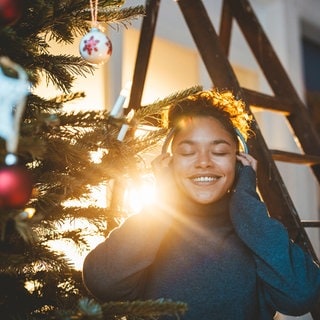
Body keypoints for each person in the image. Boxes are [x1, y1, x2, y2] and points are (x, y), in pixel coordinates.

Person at [82, 89, 320, 320]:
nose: (204, 162)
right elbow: (102, 282)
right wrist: (165, 197)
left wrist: (246, 199)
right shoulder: (151, 227)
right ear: (169, 163)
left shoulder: (257, 233)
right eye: (187, 152)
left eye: (218, 151)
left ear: (239, 163)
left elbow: (302, 295)